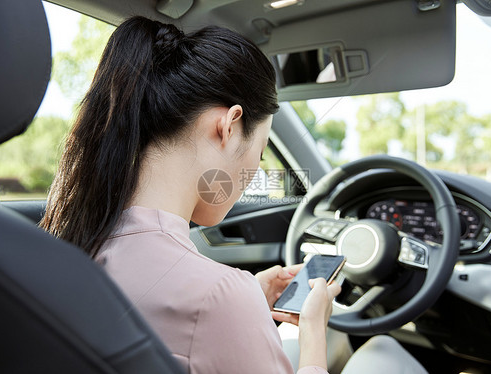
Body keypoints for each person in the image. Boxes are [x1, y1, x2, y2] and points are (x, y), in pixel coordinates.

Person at [41, 16, 427, 374]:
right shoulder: (218, 296)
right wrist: (313, 334)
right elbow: (203, 310)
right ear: (228, 126)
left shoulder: (69, 244)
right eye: (258, 155)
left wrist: (248, 297)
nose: (254, 172)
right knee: (383, 353)